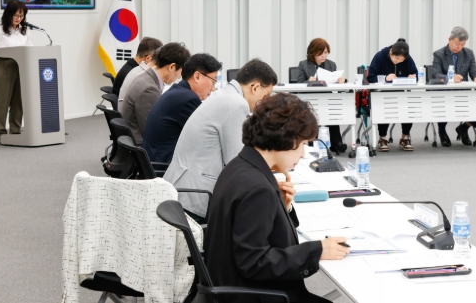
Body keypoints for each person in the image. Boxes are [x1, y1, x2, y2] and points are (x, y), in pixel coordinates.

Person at [205, 92, 349, 303]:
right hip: (254, 296)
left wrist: (282, 208)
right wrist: (317, 250)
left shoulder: (240, 166)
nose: (302, 154)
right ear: (287, 139)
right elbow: (254, 262)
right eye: (303, 144)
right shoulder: (257, 188)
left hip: (232, 288)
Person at [164, 59, 277, 224]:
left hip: (182, 187)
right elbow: (238, 162)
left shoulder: (225, 94)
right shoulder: (236, 103)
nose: (264, 101)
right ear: (255, 87)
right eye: (266, 95)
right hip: (195, 197)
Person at [143, 53, 222, 164]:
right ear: (197, 76)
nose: (213, 88)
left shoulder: (178, 92)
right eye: (213, 81)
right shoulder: (188, 100)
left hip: (154, 160)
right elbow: (206, 138)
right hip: (164, 166)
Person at [121, 42, 190, 143]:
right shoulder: (149, 89)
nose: (179, 77)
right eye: (180, 72)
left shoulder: (145, 77)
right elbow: (151, 131)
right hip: (139, 145)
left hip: (133, 138)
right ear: (172, 67)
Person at [432, 27, 476, 147]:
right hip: (445, 94)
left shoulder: (468, 53)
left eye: (462, 44)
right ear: (450, 39)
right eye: (457, 44)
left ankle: (464, 128)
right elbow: (435, 74)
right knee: (444, 104)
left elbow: (474, 71)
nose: (459, 47)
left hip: (463, 93)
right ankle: (442, 130)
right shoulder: (439, 54)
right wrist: (450, 78)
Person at [0, 1, 33, 142]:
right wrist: (9, 51)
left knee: (18, 100)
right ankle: (0, 132)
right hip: (4, 65)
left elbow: (29, 46)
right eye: (15, 15)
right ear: (8, 14)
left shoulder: (24, 29)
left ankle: (15, 131)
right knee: (2, 100)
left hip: (21, 65)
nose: (18, 19)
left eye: (21, 16)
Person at [296, 38, 348, 153]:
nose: (324, 56)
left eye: (326, 52)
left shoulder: (331, 64)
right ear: (313, 52)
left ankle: (337, 143)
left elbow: (334, 81)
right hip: (310, 99)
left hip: (327, 98)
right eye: (320, 53)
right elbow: (298, 83)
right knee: (313, 116)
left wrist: (341, 81)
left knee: (331, 112)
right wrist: (308, 81)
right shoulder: (303, 64)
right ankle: (312, 142)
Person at [367, 38, 418, 152]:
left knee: (409, 106)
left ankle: (405, 137)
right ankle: (382, 138)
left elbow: (415, 74)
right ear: (391, 52)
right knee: (385, 106)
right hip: (382, 94)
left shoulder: (408, 59)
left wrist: (413, 77)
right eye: (397, 58)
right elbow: (370, 77)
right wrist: (385, 78)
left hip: (401, 93)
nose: (399, 61)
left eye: (401, 59)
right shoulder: (380, 56)